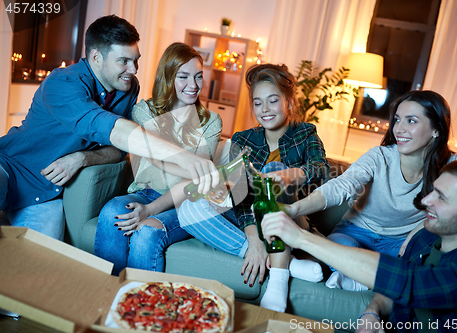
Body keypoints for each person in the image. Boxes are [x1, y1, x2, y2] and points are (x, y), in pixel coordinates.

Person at [0, 15, 218, 241]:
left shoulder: (127, 87)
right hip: (10, 165)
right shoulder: (62, 83)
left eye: (136, 60)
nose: (133, 69)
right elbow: (116, 130)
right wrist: (184, 158)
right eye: (123, 61)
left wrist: (82, 158)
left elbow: (119, 148)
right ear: (95, 57)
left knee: (43, 258)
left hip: (44, 193)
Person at [262, 159, 457, 332]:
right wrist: (372, 312)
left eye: (441, 197)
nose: (426, 201)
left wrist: (302, 238)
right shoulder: (425, 239)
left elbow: (408, 282)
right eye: (432, 191)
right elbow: (393, 293)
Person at [178, 63, 329, 313]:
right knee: (187, 210)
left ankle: (278, 279)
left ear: (289, 102)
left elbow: (321, 169)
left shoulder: (305, 133)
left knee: (271, 173)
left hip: (292, 217)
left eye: (272, 100)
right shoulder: (242, 139)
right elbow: (240, 196)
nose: (265, 109)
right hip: (251, 220)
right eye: (258, 103)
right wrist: (255, 242)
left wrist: (293, 174)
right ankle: (284, 261)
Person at [278, 90, 457, 291]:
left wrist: (414, 235)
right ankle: (361, 279)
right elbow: (341, 186)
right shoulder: (379, 156)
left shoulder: (453, 167)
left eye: (411, 121)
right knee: (335, 243)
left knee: (415, 263)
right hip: (354, 233)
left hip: (398, 244)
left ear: (436, 129)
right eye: (397, 120)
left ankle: (353, 277)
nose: (399, 129)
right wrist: (294, 209)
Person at [94, 42, 222, 276]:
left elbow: (196, 180)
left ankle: (143, 307)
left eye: (198, 77)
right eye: (183, 76)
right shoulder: (144, 111)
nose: (193, 85)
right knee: (111, 211)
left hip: (187, 203)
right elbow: (155, 159)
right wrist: (190, 166)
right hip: (145, 191)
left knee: (146, 232)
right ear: (168, 76)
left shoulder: (211, 121)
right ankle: (107, 294)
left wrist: (151, 209)